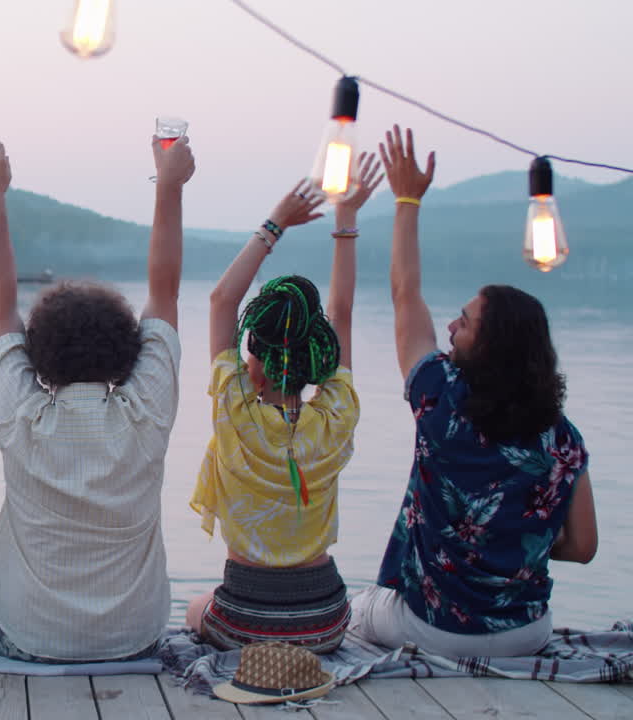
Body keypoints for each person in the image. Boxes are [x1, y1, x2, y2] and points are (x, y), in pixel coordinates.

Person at [352, 126, 597, 657]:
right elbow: (583, 546)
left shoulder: (440, 400)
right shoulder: (564, 440)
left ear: (488, 347)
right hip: (525, 633)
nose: (449, 327)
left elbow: (404, 293)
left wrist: (407, 200)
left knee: (357, 608)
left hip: (433, 629)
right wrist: (510, 542)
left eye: (463, 322)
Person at [0, 137, 193, 662]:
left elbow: (1, 303)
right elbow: (165, 290)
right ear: (126, 351)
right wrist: (169, 186)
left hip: (29, 640)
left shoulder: (22, 418)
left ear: (38, 354)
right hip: (133, 641)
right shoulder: (147, 414)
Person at [185, 157, 383, 655]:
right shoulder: (336, 416)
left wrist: (276, 222)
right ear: (318, 357)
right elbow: (341, 312)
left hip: (243, 620)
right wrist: (346, 218)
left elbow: (221, 301)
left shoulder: (235, 413)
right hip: (325, 622)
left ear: (252, 361)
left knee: (194, 608)